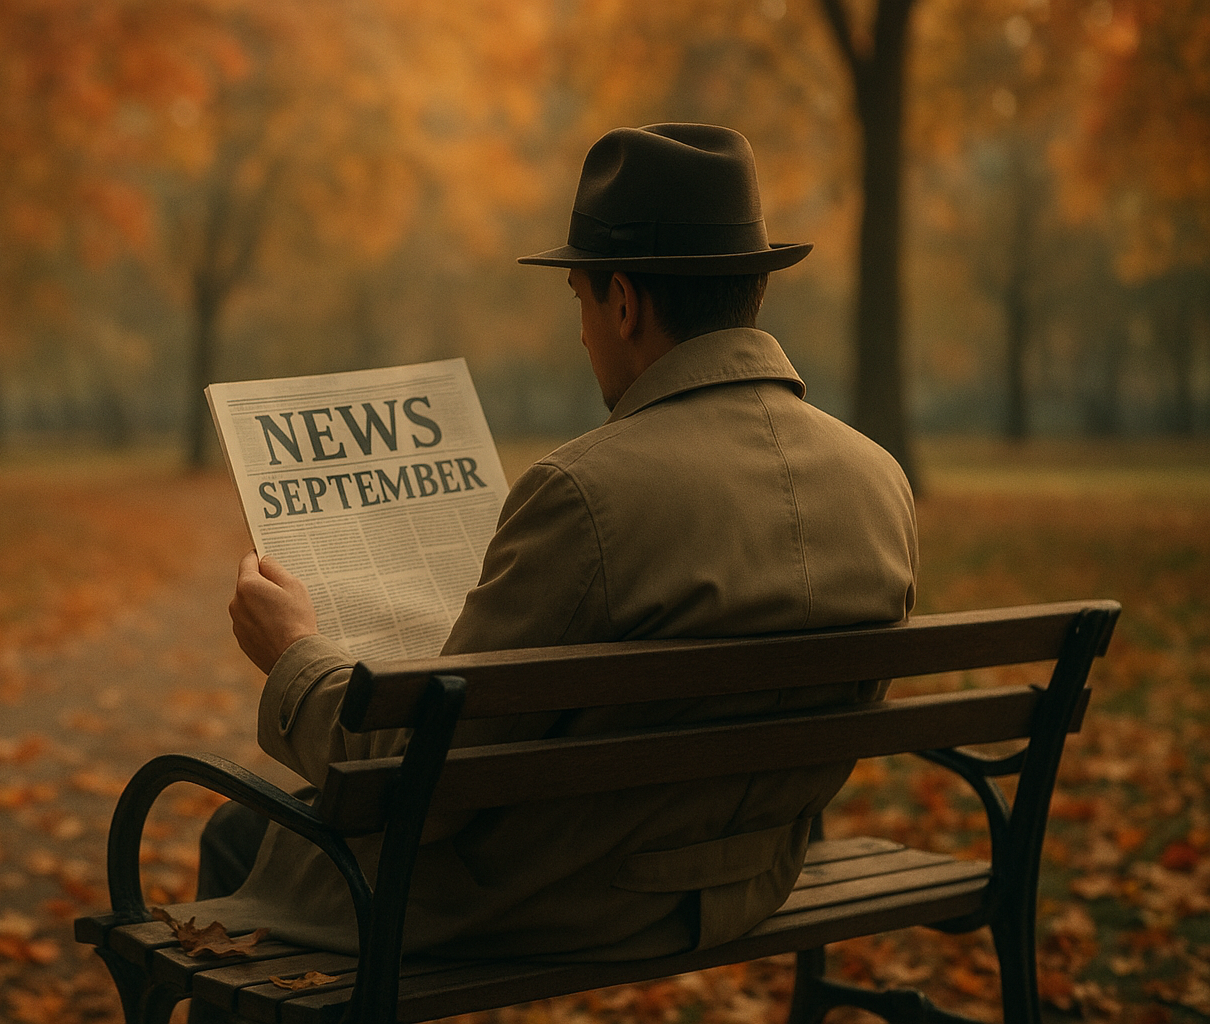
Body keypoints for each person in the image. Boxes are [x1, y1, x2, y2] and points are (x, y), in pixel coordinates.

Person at [192, 123, 917, 965]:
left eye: (577, 298)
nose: (581, 333)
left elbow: (409, 786)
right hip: (753, 880)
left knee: (242, 837)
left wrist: (294, 654)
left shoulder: (586, 492)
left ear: (622, 301)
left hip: (574, 901)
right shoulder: (879, 481)